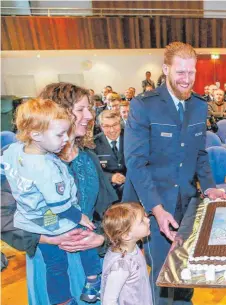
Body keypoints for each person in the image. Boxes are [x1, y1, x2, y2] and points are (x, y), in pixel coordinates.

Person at [123, 41, 226, 305]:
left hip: (186, 203)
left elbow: (199, 153)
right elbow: (135, 163)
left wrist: (210, 186)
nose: (186, 79)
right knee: (163, 275)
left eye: (191, 72)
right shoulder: (143, 105)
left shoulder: (199, 105)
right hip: (154, 204)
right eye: (180, 72)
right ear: (166, 69)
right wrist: (156, 209)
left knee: (185, 268)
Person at [1, 82, 118, 305]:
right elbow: (3, 217)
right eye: (81, 109)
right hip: (49, 260)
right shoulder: (22, 161)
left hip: (90, 260)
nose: (89, 115)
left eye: (90, 108)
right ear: (60, 112)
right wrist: (46, 238)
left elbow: (109, 211)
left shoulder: (88, 157)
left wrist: (100, 238)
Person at [101, 203, 152, 305]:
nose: (148, 220)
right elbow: (108, 301)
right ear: (126, 235)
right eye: (142, 221)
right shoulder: (120, 266)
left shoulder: (132, 247)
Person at [94, 110, 127, 200]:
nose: (112, 130)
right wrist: (110, 177)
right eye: (107, 126)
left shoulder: (131, 138)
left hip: (130, 189)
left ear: (120, 123)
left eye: (115, 125)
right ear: (101, 127)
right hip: (106, 192)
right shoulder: (94, 144)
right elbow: (92, 171)